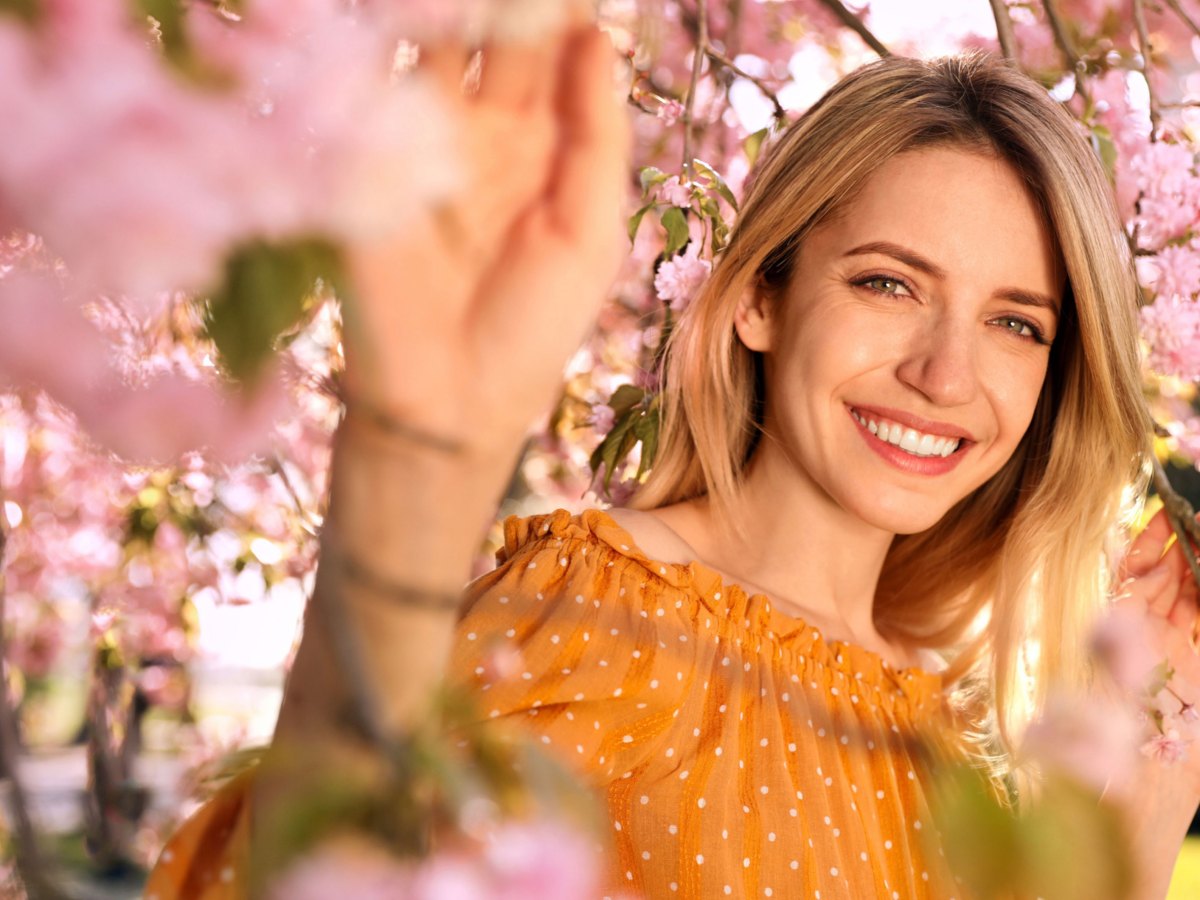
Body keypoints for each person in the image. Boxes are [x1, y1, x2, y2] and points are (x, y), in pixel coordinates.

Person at [144, 11, 1200, 900]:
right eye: (889, 283)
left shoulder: (950, 746)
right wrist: (409, 464)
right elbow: (303, 872)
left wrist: (1146, 816)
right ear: (757, 298)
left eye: (1017, 323)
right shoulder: (597, 617)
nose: (946, 372)